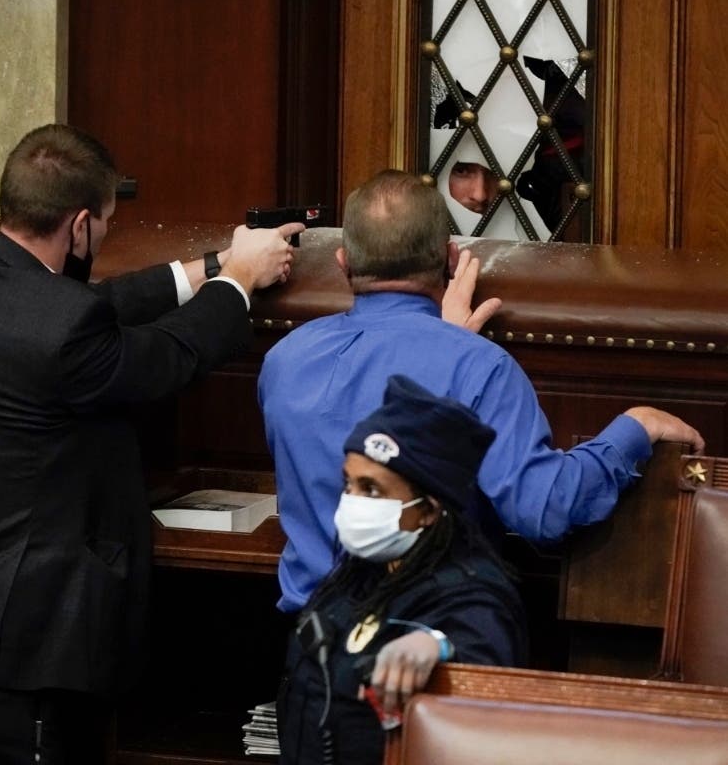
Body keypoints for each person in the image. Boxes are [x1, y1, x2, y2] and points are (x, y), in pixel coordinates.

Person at [0, 123, 301, 764]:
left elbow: (81, 305)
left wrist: (204, 270)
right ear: (80, 224)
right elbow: (165, 357)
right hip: (35, 631)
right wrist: (239, 284)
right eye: (108, 223)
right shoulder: (63, 324)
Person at [258, 169, 706, 615]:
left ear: (343, 262)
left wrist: (446, 343)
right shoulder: (477, 366)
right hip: (434, 651)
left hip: (312, 651)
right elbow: (544, 510)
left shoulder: (284, 360)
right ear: (452, 259)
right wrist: (634, 429)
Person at [279, 374, 527, 765]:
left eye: (372, 490)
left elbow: (482, 649)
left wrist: (435, 643)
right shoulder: (364, 571)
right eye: (349, 484)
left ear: (427, 510)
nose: (352, 502)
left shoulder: (473, 590)